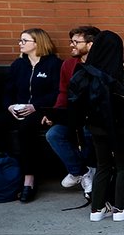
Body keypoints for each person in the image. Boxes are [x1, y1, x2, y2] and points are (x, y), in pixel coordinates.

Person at [65, 30, 124, 222]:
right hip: (120, 127)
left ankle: (97, 209)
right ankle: (121, 208)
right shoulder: (117, 74)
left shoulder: (85, 72)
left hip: (96, 126)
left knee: (103, 166)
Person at [3, 28, 62, 203]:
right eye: (20, 40)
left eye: (24, 40)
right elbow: (7, 91)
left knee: (26, 129)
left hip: (41, 111)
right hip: (17, 109)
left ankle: (29, 180)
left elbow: (58, 92)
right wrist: (10, 106)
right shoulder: (18, 65)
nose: (20, 44)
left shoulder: (53, 64)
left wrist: (35, 106)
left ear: (38, 43)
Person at [42, 26, 97, 198]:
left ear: (90, 44)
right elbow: (64, 92)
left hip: (94, 116)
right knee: (54, 134)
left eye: (76, 42)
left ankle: (91, 175)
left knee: (88, 132)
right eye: (71, 41)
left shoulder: (101, 64)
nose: (71, 45)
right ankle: (81, 171)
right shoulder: (68, 64)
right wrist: (55, 114)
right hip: (72, 115)